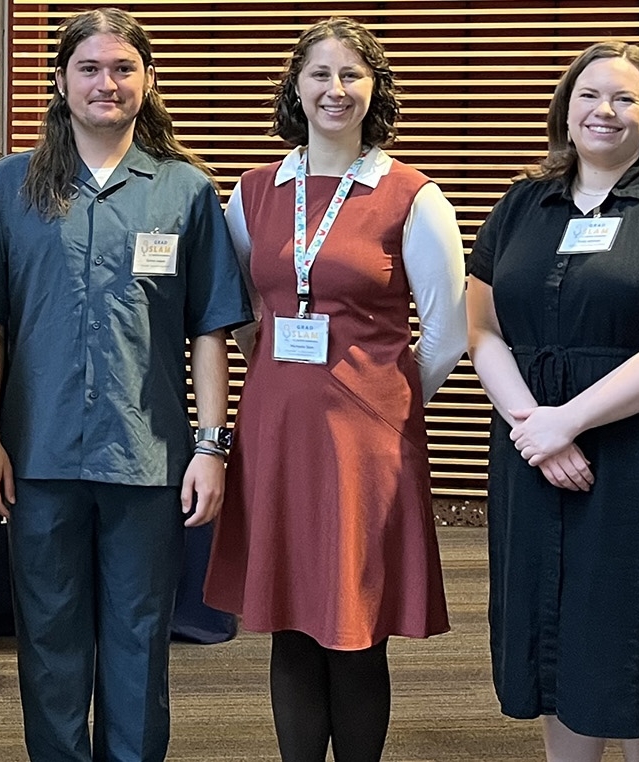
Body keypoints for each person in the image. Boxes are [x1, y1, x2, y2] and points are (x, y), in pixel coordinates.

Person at [0, 9, 251, 761]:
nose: (107, 83)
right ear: (60, 83)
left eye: (123, 69)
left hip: (147, 456)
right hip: (39, 454)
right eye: (90, 69)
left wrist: (210, 446)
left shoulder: (187, 191)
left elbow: (210, 330)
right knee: (50, 641)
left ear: (149, 81)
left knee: (138, 638)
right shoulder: (7, 188)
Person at [467, 41, 639, 762]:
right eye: (591, 94)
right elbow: (483, 329)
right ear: (566, 106)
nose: (606, 110)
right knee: (557, 626)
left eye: (626, 98)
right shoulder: (523, 204)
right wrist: (535, 426)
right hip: (536, 451)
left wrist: (569, 421)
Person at [202, 17, 467, 762]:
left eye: (352, 75)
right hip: (276, 431)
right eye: (319, 74)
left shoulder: (413, 195)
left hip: (368, 440)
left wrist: (380, 396)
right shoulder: (255, 192)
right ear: (294, 86)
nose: (335, 89)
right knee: (289, 618)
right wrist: (278, 371)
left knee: (355, 624)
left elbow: (444, 333)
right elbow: (241, 314)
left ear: (375, 88)